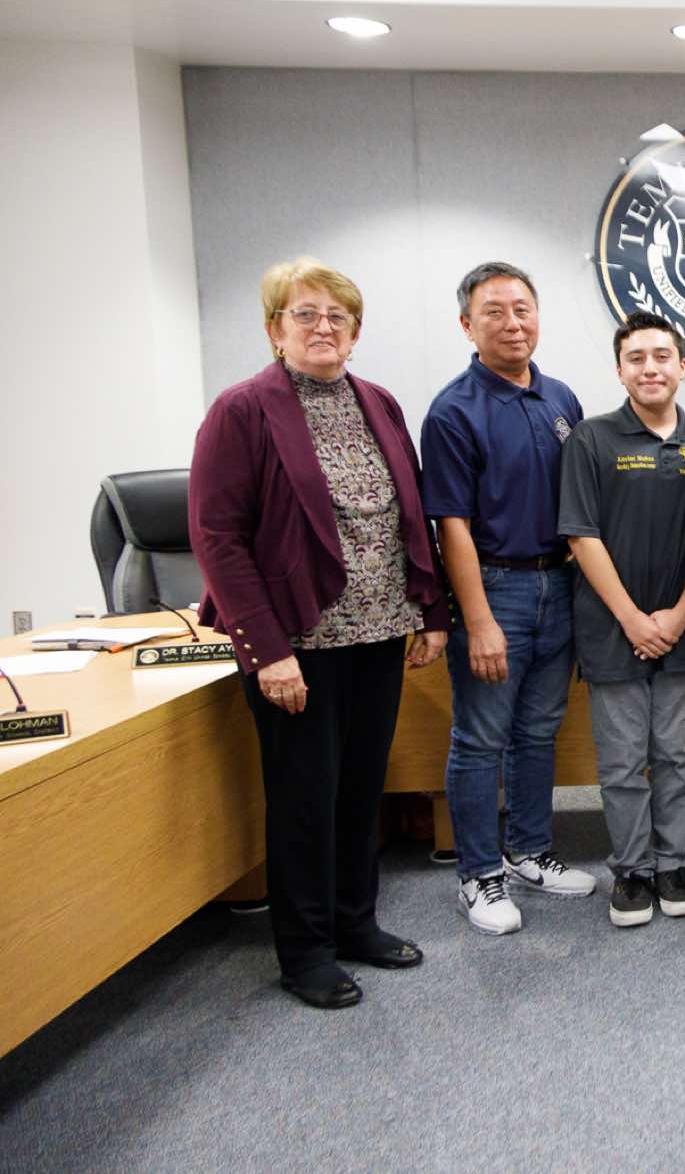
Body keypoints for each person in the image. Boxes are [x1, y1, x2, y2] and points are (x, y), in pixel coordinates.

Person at [189, 258, 449, 1010]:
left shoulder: (379, 402)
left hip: (378, 631)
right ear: (275, 329)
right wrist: (267, 650)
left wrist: (429, 610)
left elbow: (411, 513)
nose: (323, 327)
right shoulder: (242, 410)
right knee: (305, 798)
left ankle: (354, 923)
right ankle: (305, 951)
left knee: (362, 788)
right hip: (297, 645)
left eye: (338, 316)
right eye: (305, 314)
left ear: (356, 331)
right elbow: (217, 538)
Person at [421, 262, 597, 936]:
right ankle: (478, 873)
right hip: (494, 588)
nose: (512, 323)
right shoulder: (453, 410)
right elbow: (451, 526)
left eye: (522, 309)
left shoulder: (561, 399)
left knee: (537, 731)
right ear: (467, 325)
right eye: (493, 312)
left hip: (560, 583)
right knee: (480, 738)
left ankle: (527, 850)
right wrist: (479, 620)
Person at [559, 312, 685, 928]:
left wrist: (679, 614)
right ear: (619, 369)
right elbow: (581, 536)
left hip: (682, 627)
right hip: (612, 630)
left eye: (661, 356)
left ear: (682, 366)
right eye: (636, 358)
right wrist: (631, 619)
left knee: (677, 755)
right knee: (623, 762)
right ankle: (631, 871)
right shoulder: (590, 439)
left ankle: (674, 865)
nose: (650, 368)